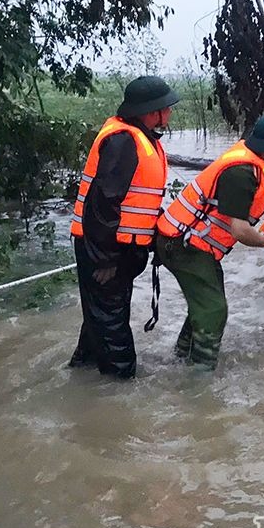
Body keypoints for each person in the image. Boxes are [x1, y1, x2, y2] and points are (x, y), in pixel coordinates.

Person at [156, 114, 264, 369]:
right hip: (183, 245)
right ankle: (200, 376)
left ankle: (180, 357)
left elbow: (257, 201)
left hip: (195, 246)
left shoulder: (260, 163)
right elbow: (240, 230)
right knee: (214, 310)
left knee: (206, 306)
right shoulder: (240, 172)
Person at [69, 76, 179, 379]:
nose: (169, 114)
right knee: (112, 321)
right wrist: (105, 258)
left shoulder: (142, 139)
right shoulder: (123, 141)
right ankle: (119, 387)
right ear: (149, 112)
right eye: (165, 109)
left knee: (103, 317)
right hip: (104, 247)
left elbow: (134, 201)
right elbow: (102, 204)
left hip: (120, 247)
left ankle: (81, 375)